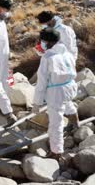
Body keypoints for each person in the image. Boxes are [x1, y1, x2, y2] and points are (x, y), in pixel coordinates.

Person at [32, 28, 78, 160]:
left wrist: (37, 103)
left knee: (55, 122)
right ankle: (74, 118)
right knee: (67, 102)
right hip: (70, 86)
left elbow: (41, 83)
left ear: (47, 42)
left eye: (42, 40)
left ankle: (56, 151)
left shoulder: (47, 57)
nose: (41, 43)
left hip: (56, 92)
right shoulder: (67, 53)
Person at [36, 11, 79, 129]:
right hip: (52, 64)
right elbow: (45, 49)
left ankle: (69, 123)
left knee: (59, 92)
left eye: (45, 23)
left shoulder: (65, 30)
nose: (44, 26)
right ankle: (74, 121)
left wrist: (68, 66)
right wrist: (40, 50)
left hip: (64, 65)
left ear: (51, 20)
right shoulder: (47, 30)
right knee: (62, 94)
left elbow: (69, 50)